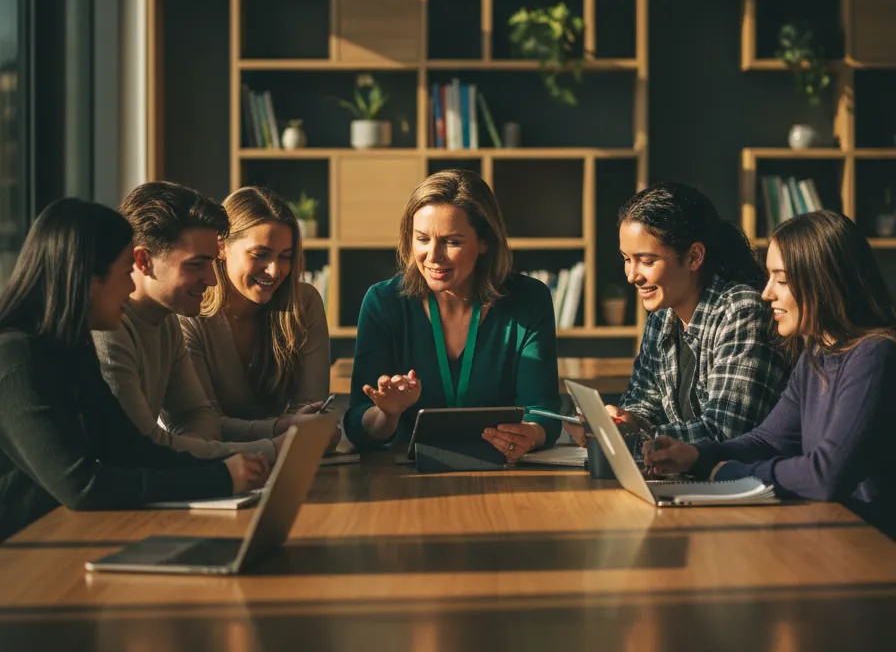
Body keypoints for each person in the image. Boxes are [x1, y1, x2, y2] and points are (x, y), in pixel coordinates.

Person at [0, 199, 268, 542]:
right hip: (20, 558)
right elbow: (82, 487)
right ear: (88, 275)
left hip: (54, 540)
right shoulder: (18, 359)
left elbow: (130, 450)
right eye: (126, 270)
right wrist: (221, 478)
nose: (130, 287)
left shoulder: (72, 350)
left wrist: (232, 465)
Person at [645, 211, 896, 536]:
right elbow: (768, 440)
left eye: (781, 279)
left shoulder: (874, 354)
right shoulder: (817, 354)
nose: (766, 294)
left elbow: (824, 475)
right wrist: (696, 456)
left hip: (872, 550)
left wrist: (730, 472)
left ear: (823, 281)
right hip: (831, 536)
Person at [343, 169, 562, 458]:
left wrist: (530, 435)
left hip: (503, 470)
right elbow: (359, 425)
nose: (433, 256)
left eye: (452, 242)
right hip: (406, 476)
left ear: (484, 243)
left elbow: (543, 412)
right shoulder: (383, 302)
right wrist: (387, 414)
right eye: (422, 239)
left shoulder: (529, 299)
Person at [572, 182, 786, 447]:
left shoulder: (742, 311)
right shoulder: (661, 317)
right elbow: (641, 403)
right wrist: (624, 421)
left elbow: (726, 432)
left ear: (694, 256)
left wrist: (635, 438)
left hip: (742, 483)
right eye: (627, 259)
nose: (632, 276)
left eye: (647, 261)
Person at [93, 182, 285, 462]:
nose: (212, 279)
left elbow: (197, 414)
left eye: (211, 263)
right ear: (143, 260)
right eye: (196, 264)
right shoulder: (107, 330)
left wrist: (194, 452)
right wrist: (273, 449)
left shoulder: (167, 321)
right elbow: (144, 446)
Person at [181, 185, 337, 448]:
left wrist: (302, 430)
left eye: (285, 257)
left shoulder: (304, 302)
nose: (275, 271)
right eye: (260, 255)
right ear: (221, 247)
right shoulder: (189, 314)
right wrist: (280, 429)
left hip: (284, 457)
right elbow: (204, 426)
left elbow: (308, 411)